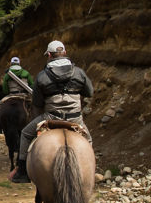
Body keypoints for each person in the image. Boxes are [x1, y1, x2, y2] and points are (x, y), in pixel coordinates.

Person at [9, 40, 93, 183]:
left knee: (25, 134)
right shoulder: (79, 72)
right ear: (65, 53)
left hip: (51, 117)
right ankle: (90, 173)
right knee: (89, 140)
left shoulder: (42, 76)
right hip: (75, 119)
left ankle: (22, 171)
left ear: (49, 55)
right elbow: (89, 92)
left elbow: (37, 103)